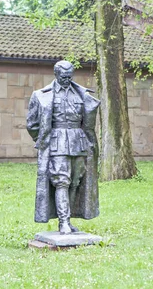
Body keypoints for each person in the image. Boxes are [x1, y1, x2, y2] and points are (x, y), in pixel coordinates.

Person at [26, 61, 100, 234]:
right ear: (56, 75)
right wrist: (46, 140)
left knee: (75, 181)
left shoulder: (81, 94)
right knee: (61, 181)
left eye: (69, 76)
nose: (66, 80)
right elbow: (32, 124)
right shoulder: (41, 95)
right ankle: (63, 221)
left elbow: (87, 121)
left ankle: (69, 218)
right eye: (63, 77)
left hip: (78, 142)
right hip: (57, 143)